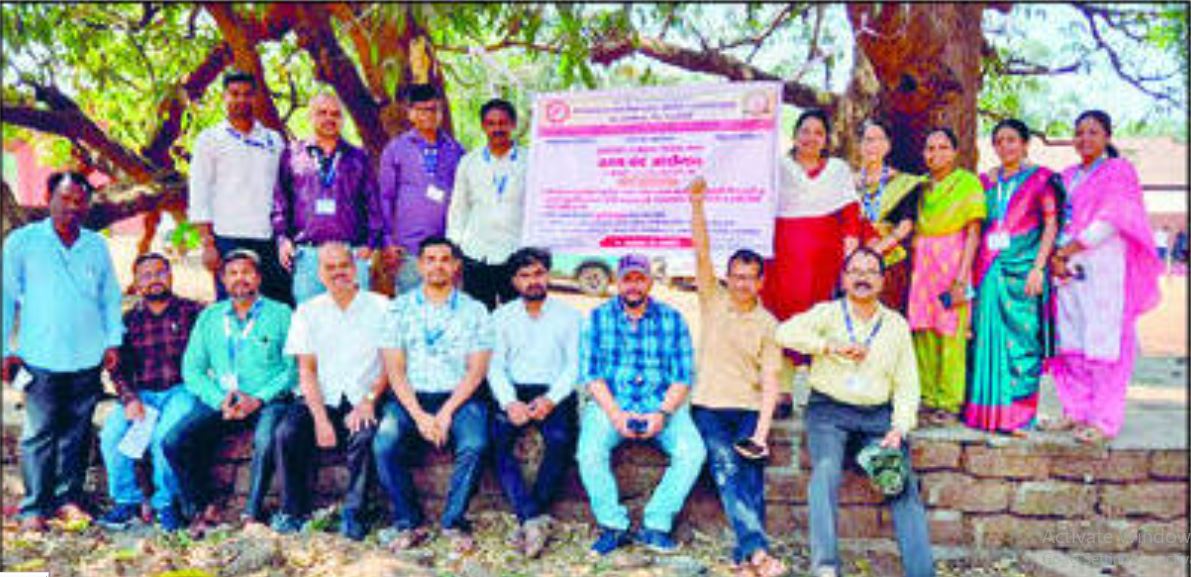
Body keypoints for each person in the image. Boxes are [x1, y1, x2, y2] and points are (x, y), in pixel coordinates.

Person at [776, 247, 934, 577]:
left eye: (871, 272)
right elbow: (783, 333)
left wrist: (899, 428)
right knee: (826, 471)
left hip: (877, 418)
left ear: (882, 280)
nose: (863, 278)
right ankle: (825, 567)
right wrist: (827, 346)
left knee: (898, 479)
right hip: (829, 412)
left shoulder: (895, 325)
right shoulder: (828, 314)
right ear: (844, 279)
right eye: (856, 272)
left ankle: (921, 572)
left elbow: (907, 384)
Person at [2, 172, 124, 532]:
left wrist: (113, 340)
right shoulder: (23, 242)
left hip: (87, 356)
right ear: (49, 198)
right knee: (39, 434)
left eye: (79, 201)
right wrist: (3, 350)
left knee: (78, 433)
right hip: (40, 355)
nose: (72, 207)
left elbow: (110, 297)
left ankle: (68, 500)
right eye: (65, 199)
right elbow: (5, 298)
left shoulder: (95, 245)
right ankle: (33, 507)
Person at [686, 178, 785, 577]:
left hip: (747, 410)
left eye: (750, 277)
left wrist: (761, 434)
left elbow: (772, 381)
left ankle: (743, 560)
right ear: (727, 277)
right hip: (708, 407)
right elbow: (701, 252)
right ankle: (758, 553)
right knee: (726, 468)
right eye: (736, 276)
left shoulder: (768, 324)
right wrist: (697, 205)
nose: (742, 283)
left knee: (751, 476)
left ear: (761, 282)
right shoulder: (713, 300)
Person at [577, 253, 706, 556]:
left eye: (640, 279)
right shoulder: (598, 317)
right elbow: (592, 376)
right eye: (627, 279)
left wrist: (662, 413)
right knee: (589, 452)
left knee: (692, 452)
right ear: (617, 282)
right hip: (612, 403)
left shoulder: (672, 318)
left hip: (661, 403)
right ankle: (613, 526)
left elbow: (682, 377)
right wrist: (615, 414)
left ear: (649, 282)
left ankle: (656, 524)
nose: (633, 285)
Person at [1046, 110, 1162, 445]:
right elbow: (1054, 218)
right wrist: (1056, 256)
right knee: (1070, 340)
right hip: (1066, 269)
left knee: (1102, 342)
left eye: (1093, 132)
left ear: (1107, 137)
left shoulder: (1118, 171)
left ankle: (1103, 420)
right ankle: (1074, 410)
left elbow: (1114, 218)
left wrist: (1069, 249)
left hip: (1102, 265)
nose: (1084, 139)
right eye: (1079, 132)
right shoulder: (1067, 176)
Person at [162, 249, 296, 537]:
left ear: (258, 278)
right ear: (223, 279)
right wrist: (218, 399)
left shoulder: (281, 314)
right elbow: (192, 369)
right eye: (233, 273)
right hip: (224, 399)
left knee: (266, 438)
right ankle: (201, 509)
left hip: (267, 399)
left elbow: (292, 369)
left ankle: (252, 513)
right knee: (174, 441)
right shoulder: (210, 316)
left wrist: (257, 399)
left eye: (247, 272)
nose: (240, 279)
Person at [372, 236, 492, 553]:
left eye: (445, 259)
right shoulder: (398, 309)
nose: (438, 265)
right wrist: (420, 416)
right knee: (384, 443)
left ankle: (453, 521)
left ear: (456, 266)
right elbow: (395, 371)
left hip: (459, 397)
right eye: (430, 259)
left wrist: (446, 412)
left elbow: (476, 371)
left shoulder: (475, 310)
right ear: (420, 265)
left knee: (476, 443)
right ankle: (408, 522)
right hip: (411, 398)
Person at [271, 243, 390, 539]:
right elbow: (306, 371)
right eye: (330, 267)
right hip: (320, 397)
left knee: (364, 436)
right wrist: (320, 419)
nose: (338, 272)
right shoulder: (307, 312)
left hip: (364, 396)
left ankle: (355, 514)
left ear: (356, 268)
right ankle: (292, 512)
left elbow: (391, 365)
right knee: (286, 434)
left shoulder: (382, 307)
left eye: (344, 266)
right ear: (320, 274)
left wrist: (369, 401)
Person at [965, 119, 1061, 435]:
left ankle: (1020, 416)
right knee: (986, 340)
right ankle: (987, 414)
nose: (1005, 146)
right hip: (989, 270)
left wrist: (1038, 267)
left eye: (1011, 140)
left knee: (1022, 342)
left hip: (1023, 272)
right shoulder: (985, 183)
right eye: (999, 141)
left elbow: (1050, 224)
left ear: (1024, 144)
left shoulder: (1041, 179)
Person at [97, 254, 204, 532]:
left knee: (163, 438)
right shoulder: (129, 319)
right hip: (143, 394)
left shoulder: (194, 312)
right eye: (146, 275)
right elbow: (118, 368)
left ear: (171, 275)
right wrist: (130, 399)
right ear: (136, 283)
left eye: (160, 272)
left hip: (182, 390)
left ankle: (165, 504)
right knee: (111, 435)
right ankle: (127, 502)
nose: (155, 279)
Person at [487, 247, 582, 558]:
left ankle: (531, 515)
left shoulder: (570, 316)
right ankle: (532, 517)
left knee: (561, 439)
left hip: (554, 391)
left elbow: (575, 366)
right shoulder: (501, 317)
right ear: (514, 281)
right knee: (496, 442)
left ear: (548, 275)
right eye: (524, 275)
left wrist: (551, 399)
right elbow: (494, 366)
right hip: (514, 390)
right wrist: (509, 402)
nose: (533, 281)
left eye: (539, 273)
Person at [761, 108, 861, 354]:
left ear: (826, 140)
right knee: (783, 308)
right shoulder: (776, 168)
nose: (811, 138)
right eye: (805, 131)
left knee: (817, 312)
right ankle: (782, 366)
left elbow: (850, 212)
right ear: (794, 136)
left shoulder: (837, 170)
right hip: (783, 253)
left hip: (825, 257)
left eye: (818, 133)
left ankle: (811, 366)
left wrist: (850, 253)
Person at [188, 70, 291, 305]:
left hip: (269, 238)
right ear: (224, 97)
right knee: (234, 305)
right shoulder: (209, 139)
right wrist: (208, 243)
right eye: (235, 94)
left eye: (247, 94)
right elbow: (199, 191)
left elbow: (284, 189)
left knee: (275, 306)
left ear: (256, 98)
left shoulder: (273, 140)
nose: (241, 100)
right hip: (228, 238)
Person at [906, 128, 986, 426]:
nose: (935, 154)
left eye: (942, 148)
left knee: (951, 331)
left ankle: (950, 401)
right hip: (924, 267)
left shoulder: (967, 183)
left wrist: (962, 277)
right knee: (923, 329)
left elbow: (973, 233)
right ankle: (927, 397)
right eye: (930, 148)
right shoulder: (921, 187)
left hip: (953, 265)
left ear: (954, 152)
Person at [272, 91, 384, 304]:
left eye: (335, 114)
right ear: (310, 116)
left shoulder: (358, 157)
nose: (329, 118)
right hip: (308, 256)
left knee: (354, 317)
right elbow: (280, 201)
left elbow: (373, 203)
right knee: (310, 319)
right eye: (322, 113)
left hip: (351, 254)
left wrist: (370, 244)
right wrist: (282, 239)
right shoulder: (293, 154)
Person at [379, 85, 467, 294]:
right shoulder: (396, 149)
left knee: (445, 306)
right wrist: (388, 241)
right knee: (410, 306)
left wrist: (458, 248)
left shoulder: (455, 151)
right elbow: (385, 197)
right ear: (411, 113)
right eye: (422, 110)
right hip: (408, 250)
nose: (429, 115)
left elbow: (464, 200)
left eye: (434, 109)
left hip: (445, 250)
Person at [447, 98, 527, 310]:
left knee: (516, 316)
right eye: (491, 123)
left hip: (516, 253)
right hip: (476, 253)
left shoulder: (529, 161)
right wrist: (454, 249)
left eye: (503, 123)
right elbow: (458, 207)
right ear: (483, 126)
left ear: (513, 124)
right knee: (478, 317)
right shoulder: (469, 162)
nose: (497, 129)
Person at [854, 119, 926, 312]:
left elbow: (906, 225)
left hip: (890, 261)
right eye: (868, 140)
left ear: (888, 145)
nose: (873, 146)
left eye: (879, 140)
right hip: (853, 262)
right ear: (859, 145)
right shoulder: (848, 183)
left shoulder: (903, 182)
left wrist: (875, 252)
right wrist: (858, 256)